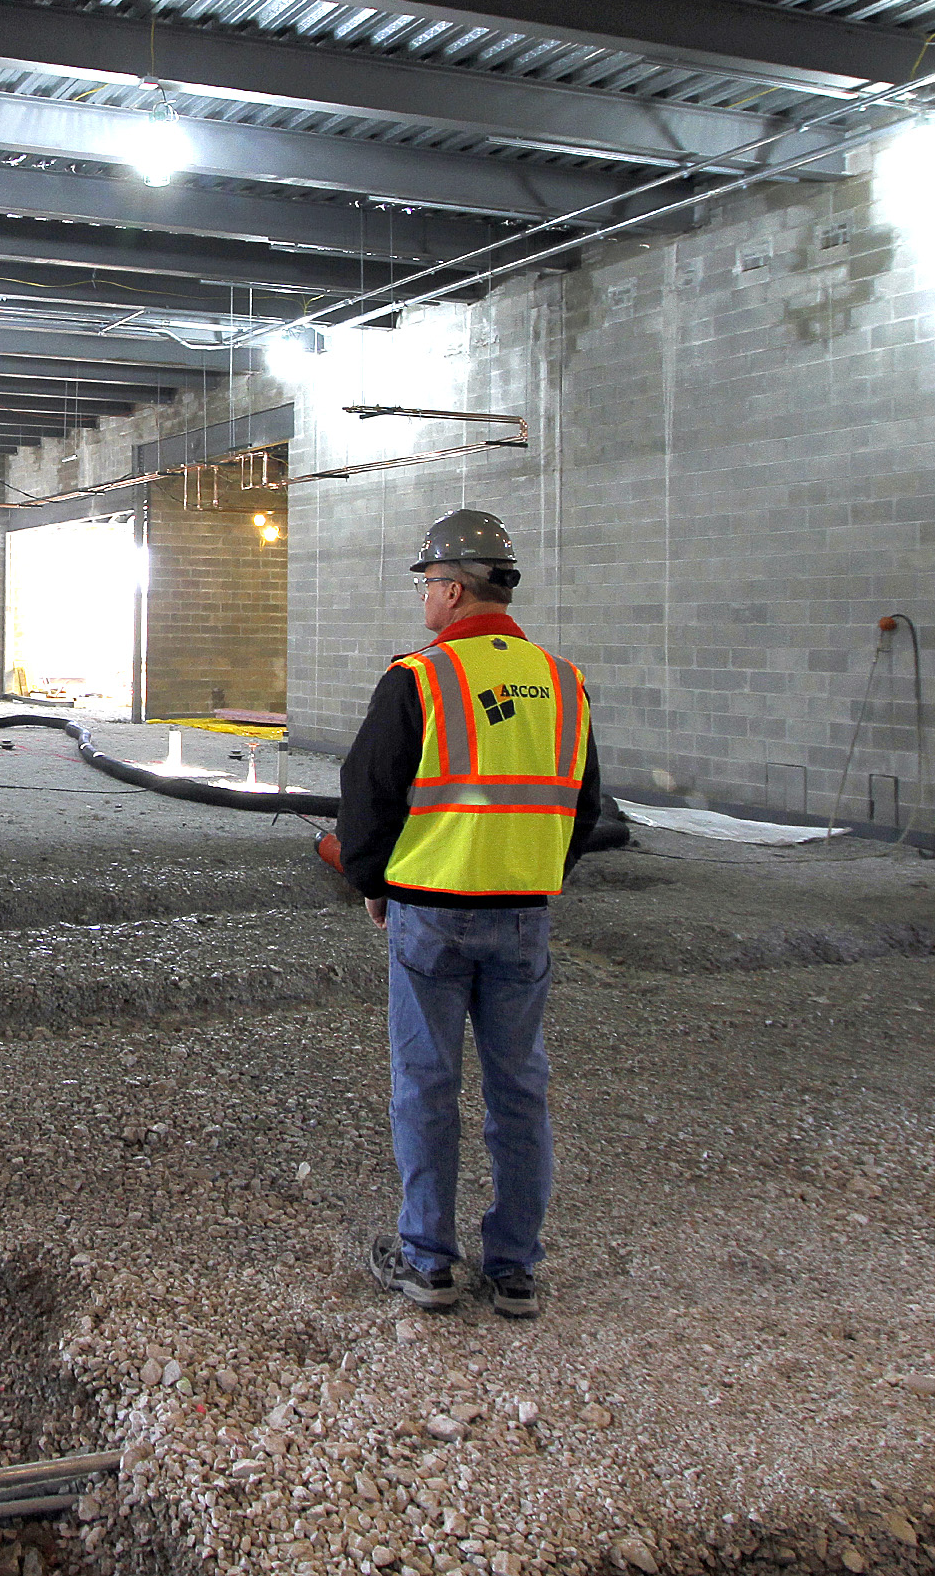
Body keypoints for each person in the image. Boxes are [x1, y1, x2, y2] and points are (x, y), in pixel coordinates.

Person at [339, 510, 601, 1322]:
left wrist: (371, 880)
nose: (424, 596)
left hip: (431, 915)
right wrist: (532, 870)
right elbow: (583, 807)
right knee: (520, 1089)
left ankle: (428, 1262)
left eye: (427, 583)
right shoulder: (563, 680)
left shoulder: (418, 679)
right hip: (524, 915)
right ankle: (516, 1269)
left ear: (452, 588)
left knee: (427, 1084)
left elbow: (367, 795)